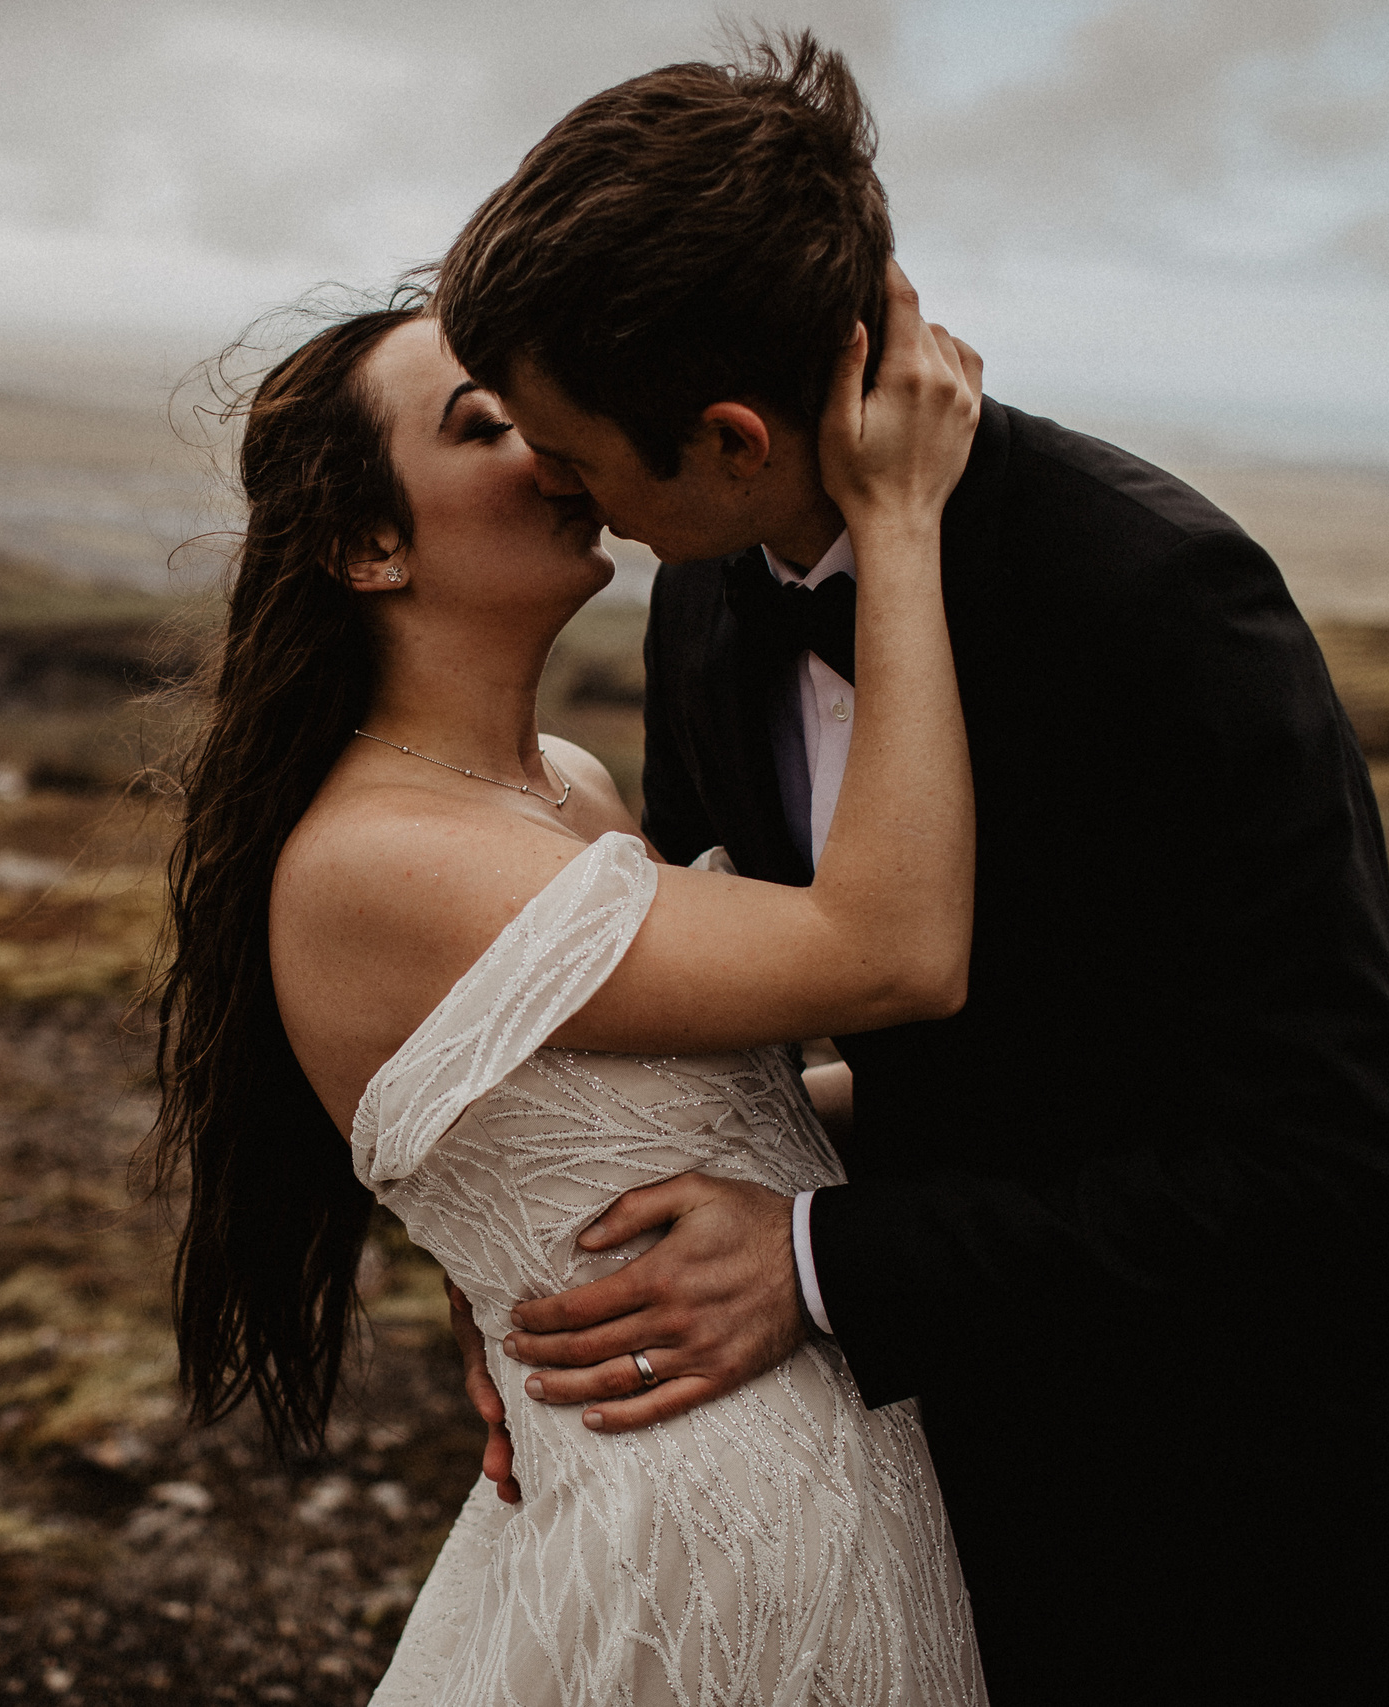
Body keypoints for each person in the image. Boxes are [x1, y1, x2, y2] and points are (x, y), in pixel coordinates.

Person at [429, 32, 1389, 1707]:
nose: (541, 482)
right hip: (993, 1445)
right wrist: (574, 1273)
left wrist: (814, 1263)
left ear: (733, 439)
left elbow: (1328, 1169)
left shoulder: (1160, 608)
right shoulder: (703, 596)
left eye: (571, 450)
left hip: (1292, 1488)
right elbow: (821, 1033)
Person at [145, 269, 990, 1699]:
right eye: (485, 425)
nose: (550, 445)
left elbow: (723, 1121)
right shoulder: (382, 859)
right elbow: (891, 951)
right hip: (700, 1526)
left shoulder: (572, 791)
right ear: (366, 542)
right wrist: (898, 521)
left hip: (803, 1472)